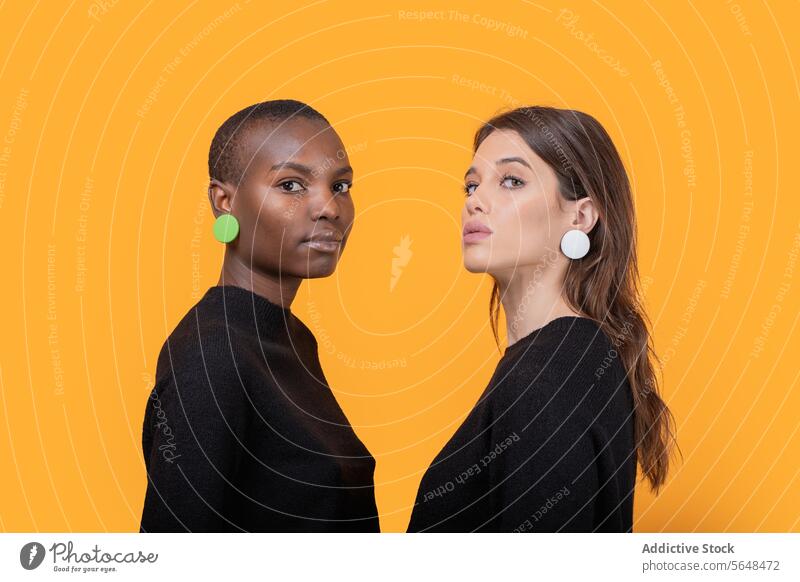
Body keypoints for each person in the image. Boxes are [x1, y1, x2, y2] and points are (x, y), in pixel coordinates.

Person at [407, 106, 676, 532]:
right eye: (471, 184)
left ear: (580, 216)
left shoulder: (551, 374)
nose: (476, 200)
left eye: (512, 180)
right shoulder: (571, 358)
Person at [140, 99, 379, 532]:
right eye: (290, 185)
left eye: (340, 186)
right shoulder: (212, 355)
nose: (330, 207)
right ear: (224, 200)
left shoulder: (290, 340)